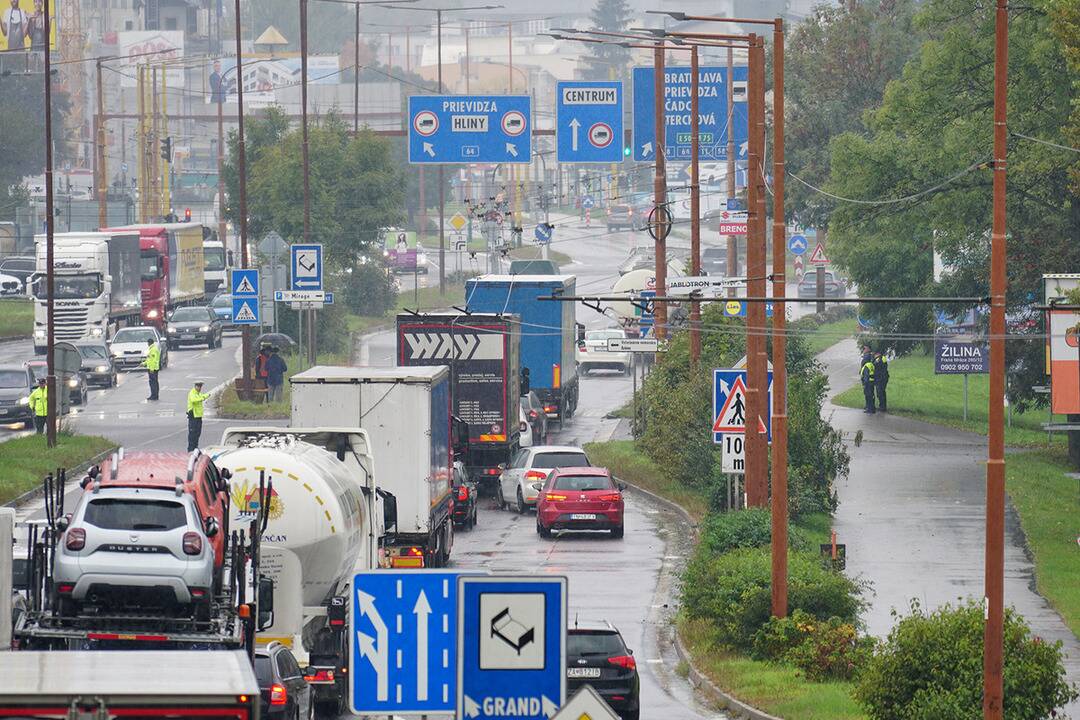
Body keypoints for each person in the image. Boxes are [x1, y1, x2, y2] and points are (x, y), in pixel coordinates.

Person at [186, 381, 211, 452]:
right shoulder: (192, 393)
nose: (199, 388)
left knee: (197, 433)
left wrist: (207, 395)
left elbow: (202, 396)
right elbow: (194, 400)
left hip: (198, 416)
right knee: (192, 434)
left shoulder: (198, 393)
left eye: (200, 387)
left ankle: (195, 448)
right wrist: (203, 397)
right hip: (193, 416)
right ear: (195, 386)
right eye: (198, 386)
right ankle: (190, 449)